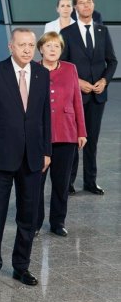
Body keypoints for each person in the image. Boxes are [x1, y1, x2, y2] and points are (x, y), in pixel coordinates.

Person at [0, 28, 51, 288]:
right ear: (11, 46)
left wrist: (46, 151)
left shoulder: (42, 74)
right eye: (22, 45)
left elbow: (45, 115)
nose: (27, 49)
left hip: (32, 157)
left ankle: (22, 266)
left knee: (28, 216)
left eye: (31, 45)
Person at [61, 0, 117, 195]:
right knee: (73, 140)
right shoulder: (67, 33)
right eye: (82, 2)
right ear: (75, 7)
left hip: (97, 96)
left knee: (92, 140)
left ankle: (90, 182)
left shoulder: (102, 31)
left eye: (89, 2)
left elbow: (112, 61)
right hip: (74, 95)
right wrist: (77, 82)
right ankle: (68, 182)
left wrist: (104, 80)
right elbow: (61, 65)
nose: (86, 5)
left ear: (93, 5)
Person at [35, 32, 86, 237]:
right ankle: (35, 223)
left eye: (57, 46)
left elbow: (77, 100)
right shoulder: (32, 69)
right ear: (41, 49)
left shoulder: (70, 69)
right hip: (40, 135)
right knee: (36, 183)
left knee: (61, 183)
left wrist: (81, 131)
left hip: (67, 133)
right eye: (48, 46)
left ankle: (58, 222)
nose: (53, 49)